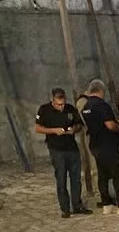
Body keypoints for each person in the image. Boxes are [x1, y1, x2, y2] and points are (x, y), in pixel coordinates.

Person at [81, 79, 119, 215]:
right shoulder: (102, 105)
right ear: (101, 91)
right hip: (107, 144)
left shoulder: (86, 107)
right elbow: (109, 125)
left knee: (103, 174)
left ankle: (106, 204)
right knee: (118, 173)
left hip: (95, 145)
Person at [35, 88, 92, 219]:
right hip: (56, 149)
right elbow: (38, 128)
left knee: (76, 179)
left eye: (63, 103)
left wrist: (74, 129)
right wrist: (54, 131)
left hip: (71, 148)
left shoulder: (70, 109)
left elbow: (78, 124)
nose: (61, 107)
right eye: (58, 104)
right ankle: (65, 208)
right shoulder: (44, 110)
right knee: (61, 179)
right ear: (52, 100)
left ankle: (77, 205)